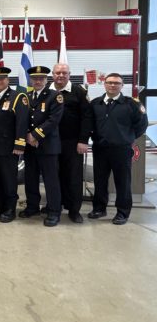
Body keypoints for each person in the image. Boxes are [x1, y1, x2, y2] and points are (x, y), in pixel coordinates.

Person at [88, 73, 148, 225]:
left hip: (121, 150)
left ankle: (122, 212)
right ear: (105, 84)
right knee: (99, 180)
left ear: (122, 85)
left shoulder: (131, 104)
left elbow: (141, 124)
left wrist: (128, 137)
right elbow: (89, 124)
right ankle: (99, 208)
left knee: (122, 182)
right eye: (109, 82)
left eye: (116, 83)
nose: (113, 85)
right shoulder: (96, 103)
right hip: (100, 149)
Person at [19, 66, 64, 227]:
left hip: (48, 146)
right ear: (30, 79)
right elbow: (22, 118)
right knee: (30, 178)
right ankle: (32, 206)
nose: (37, 81)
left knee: (50, 180)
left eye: (41, 78)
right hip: (30, 146)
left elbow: (53, 120)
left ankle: (53, 211)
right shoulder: (27, 96)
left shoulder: (55, 96)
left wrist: (35, 135)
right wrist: (26, 135)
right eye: (34, 78)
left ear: (46, 79)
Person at [50, 63, 93, 223]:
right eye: (57, 73)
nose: (60, 76)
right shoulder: (48, 91)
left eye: (64, 73)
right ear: (52, 75)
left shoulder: (79, 92)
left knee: (73, 176)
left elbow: (87, 117)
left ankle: (74, 210)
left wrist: (83, 140)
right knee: (53, 175)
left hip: (72, 142)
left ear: (69, 74)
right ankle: (55, 204)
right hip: (50, 142)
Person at [0, 67, 28, 223]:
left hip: (9, 147)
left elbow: (22, 123)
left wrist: (20, 145)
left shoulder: (18, 97)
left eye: (2, 79)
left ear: (8, 80)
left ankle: (10, 208)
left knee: (9, 179)